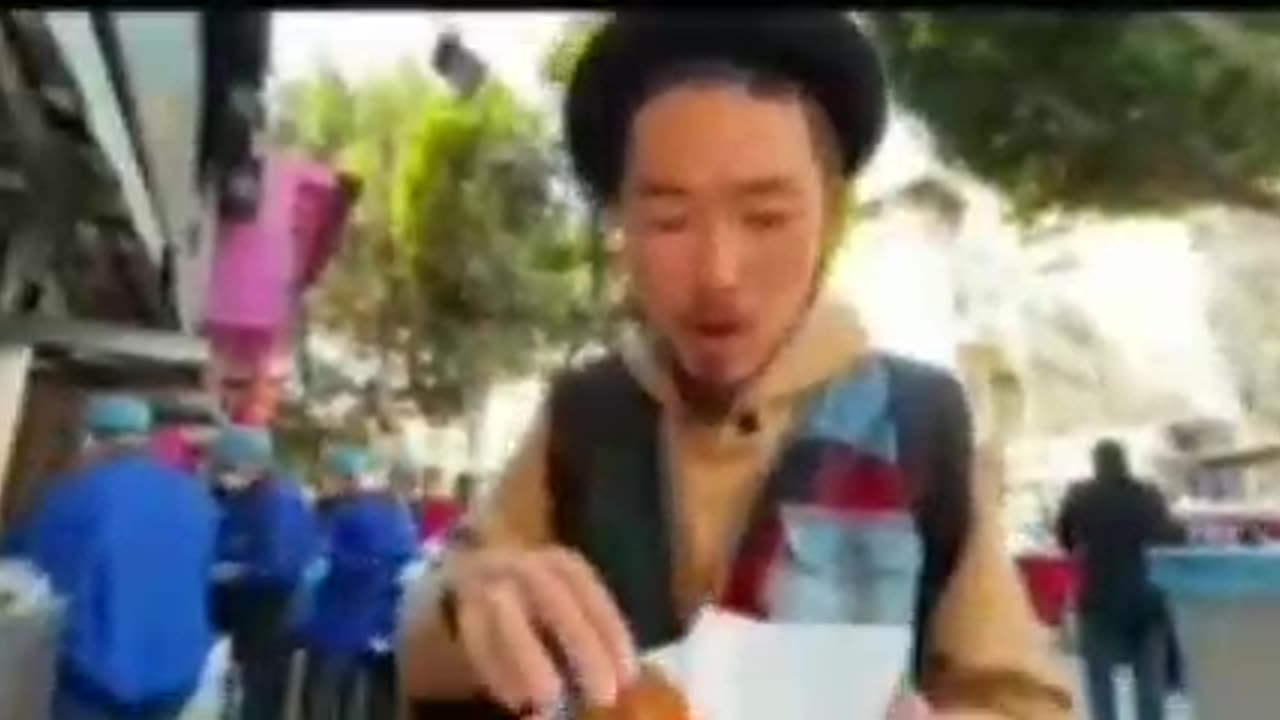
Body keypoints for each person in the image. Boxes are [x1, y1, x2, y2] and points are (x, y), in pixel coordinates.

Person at [399, 12, 1072, 720]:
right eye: (668, 220)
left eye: (765, 217)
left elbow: (1022, 697)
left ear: (832, 219)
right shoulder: (585, 415)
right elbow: (426, 643)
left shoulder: (918, 420)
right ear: (622, 226)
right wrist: (467, 608)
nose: (717, 273)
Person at [4, 394, 218, 720]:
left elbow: (38, 561)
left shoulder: (79, 493)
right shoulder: (195, 498)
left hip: (102, 672)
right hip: (177, 670)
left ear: (91, 439)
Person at [1056, 439, 1186, 720]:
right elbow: (1174, 536)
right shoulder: (1146, 495)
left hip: (1098, 602)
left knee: (1101, 688)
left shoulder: (1080, 497)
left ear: (1096, 464)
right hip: (1145, 602)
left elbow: (1066, 541)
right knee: (1149, 690)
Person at [209, 425, 317, 720]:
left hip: (272, 616)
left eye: (228, 466)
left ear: (253, 465)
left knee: (260, 696)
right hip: (238, 612)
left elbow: (281, 566)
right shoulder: (234, 498)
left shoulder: (279, 502)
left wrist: (234, 571)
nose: (222, 474)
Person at [304, 446, 419, 720]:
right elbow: (404, 566)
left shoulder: (347, 514)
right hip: (375, 628)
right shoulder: (400, 517)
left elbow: (323, 561)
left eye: (328, 477)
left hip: (336, 623)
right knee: (357, 703)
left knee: (322, 698)